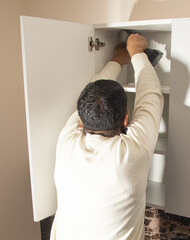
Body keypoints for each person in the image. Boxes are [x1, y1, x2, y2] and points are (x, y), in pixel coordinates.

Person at [51, 34, 164, 240]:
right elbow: (151, 97)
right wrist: (137, 53)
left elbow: (89, 97)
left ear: (82, 121)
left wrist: (117, 60)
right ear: (125, 121)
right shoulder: (131, 153)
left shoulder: (66, 139)